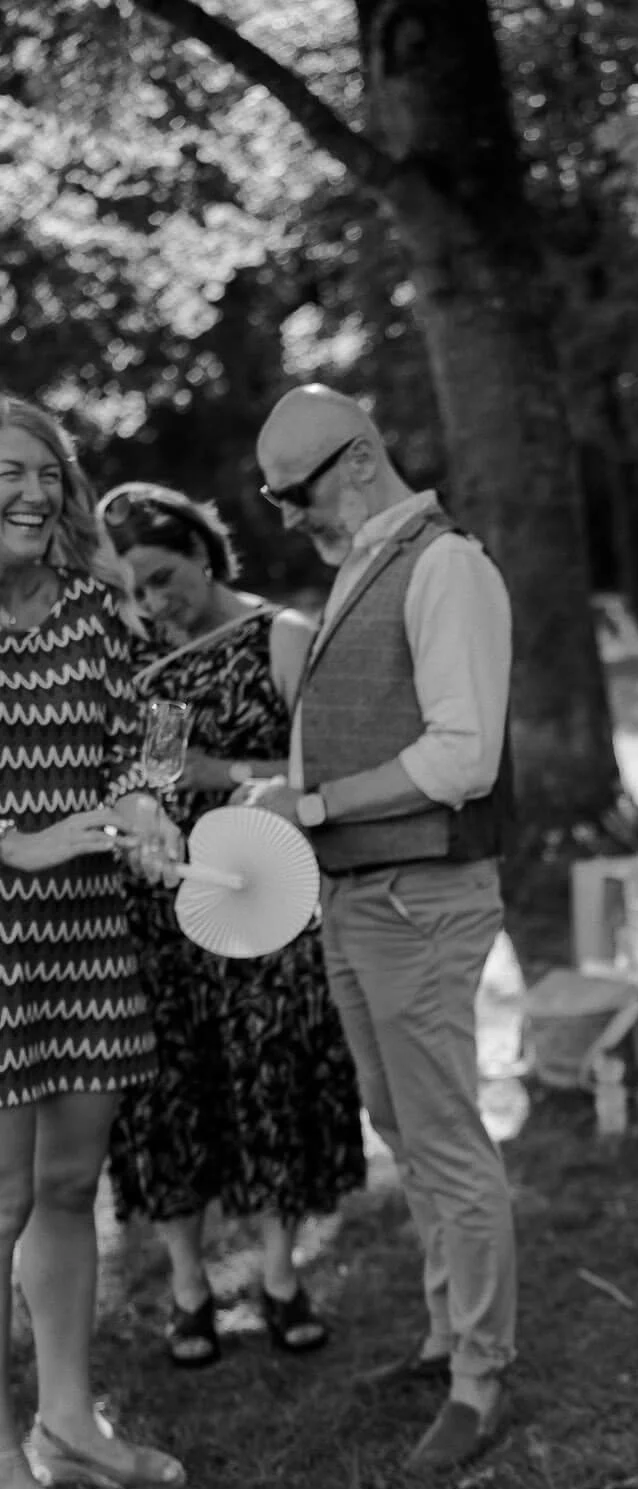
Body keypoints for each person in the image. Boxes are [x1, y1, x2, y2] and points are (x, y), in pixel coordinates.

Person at [251, 385, 516, 1471]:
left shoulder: (448, 565)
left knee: (447, 1140)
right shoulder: (363, 558)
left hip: (423, 897)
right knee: (404, 1131)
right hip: (360, 896)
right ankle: (445, 1329)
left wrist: (313, 807)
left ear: (358, 460)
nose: (285, 517)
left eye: (293, 493)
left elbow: (465, 759)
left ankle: (480, 1376)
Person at [97, 484, 367, 1368]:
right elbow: (161, 772)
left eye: (164, 579)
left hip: (266, 896)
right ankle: (187, 1288)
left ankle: (282, 1275)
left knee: (270, 1075)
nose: (152, 604)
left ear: (205, 555)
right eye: (134, 592)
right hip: (167, 905)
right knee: (173, 1091)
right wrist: (149, 799)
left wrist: (224, 769)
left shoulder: (280, 638)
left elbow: (324, 765)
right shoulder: (154, 658)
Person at [0, 397, 185, 1489]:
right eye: (5, 476)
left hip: (85, 932)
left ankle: (69, 1419)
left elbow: (139, 750)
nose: (28, 494)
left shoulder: (92, 613)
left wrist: (147, 811)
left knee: (71, 1189)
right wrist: (10, 841)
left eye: (42, 475)